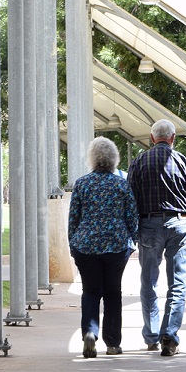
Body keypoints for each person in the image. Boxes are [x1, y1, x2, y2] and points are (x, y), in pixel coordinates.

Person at [127, 119, 186, 357]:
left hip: (148, 225)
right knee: (178, 284)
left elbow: (130, 201)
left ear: (152, 138)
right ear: (173, 138)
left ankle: (152, 336)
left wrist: (132, 234)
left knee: (148, 281)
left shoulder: (139, 162)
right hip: (179, 225)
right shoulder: (183, 162)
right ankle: (169, 337)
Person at [68, 137, 139, 358]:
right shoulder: (121, 184)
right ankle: (112, 343)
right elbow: (132, 217)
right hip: (116, 247)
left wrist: (73, 243)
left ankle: (90, 333)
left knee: (90, 290)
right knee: (112, 293)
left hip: (86, 246)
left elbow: (74, 218)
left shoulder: (82, 183)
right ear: (114, 159)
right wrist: (132, 240)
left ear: (92, 158)